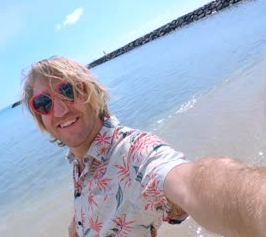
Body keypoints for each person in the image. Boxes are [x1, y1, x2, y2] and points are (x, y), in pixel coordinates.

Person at [21, 56, 265, 237]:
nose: (61, 110)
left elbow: (192, 183)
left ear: (90, 93)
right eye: (44, 102)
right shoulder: (80, 162)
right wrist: (78, 224)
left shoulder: (133, 153)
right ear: (39, 117)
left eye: (68, 90)